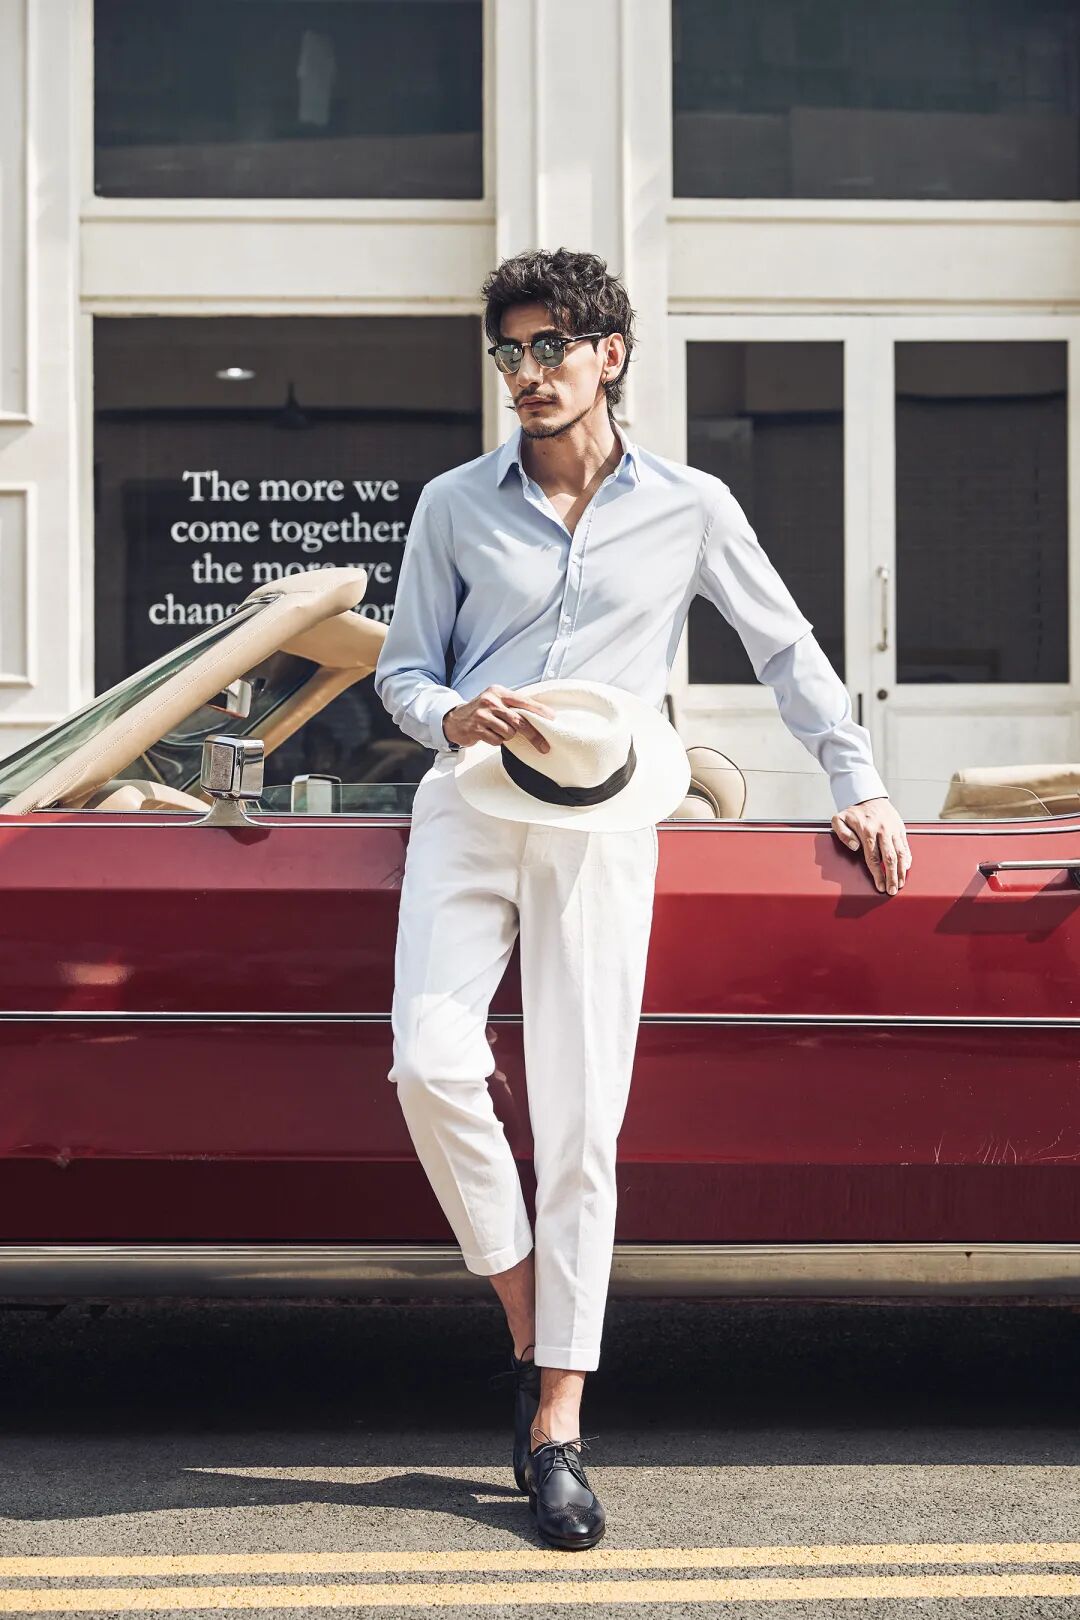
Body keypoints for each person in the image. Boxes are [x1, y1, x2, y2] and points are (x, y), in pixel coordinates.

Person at [374, 246, 912, 1550]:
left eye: (549, 347)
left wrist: (860, 780)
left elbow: (786, 646)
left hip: (606, 823)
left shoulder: (691, 505)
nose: (527, 372)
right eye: (509, 352)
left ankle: (556, 1423)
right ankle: (528, 1317)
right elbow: (402, 671)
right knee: (430, 1068)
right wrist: (451, 715)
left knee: (581, 1124)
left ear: (608, 355)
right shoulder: (454, 503)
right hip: (471, 805)